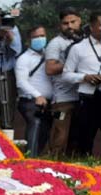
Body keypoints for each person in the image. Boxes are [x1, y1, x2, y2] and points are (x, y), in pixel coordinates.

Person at [45, 7, 84, 158]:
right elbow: (50, 68)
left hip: (82, 96)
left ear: (80, 21)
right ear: (60, 25)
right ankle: (51, 164)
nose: (70, 26)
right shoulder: (56, 43)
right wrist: (72, 62)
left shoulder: (86, 41)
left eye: (73, 22)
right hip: (61, 101)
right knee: (59, 135)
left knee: (78, 137)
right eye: (65, 23)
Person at [62, 11, 101, 157]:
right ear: (91, 27)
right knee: (85, 140)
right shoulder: (78, 48)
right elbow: (66, 75)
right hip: (88, 98)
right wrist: (85, 77)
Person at [16, 26, 53, 157]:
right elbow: (21, 82)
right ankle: (29, 159)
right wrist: (37, 95)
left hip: (49, 103)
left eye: (42, 36)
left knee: (45, 131)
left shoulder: (50, 56)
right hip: (30, 102)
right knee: (35, 124)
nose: (40, 39)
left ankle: (37, 158)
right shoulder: (24, 59)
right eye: (36, 37)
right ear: (28, 40)